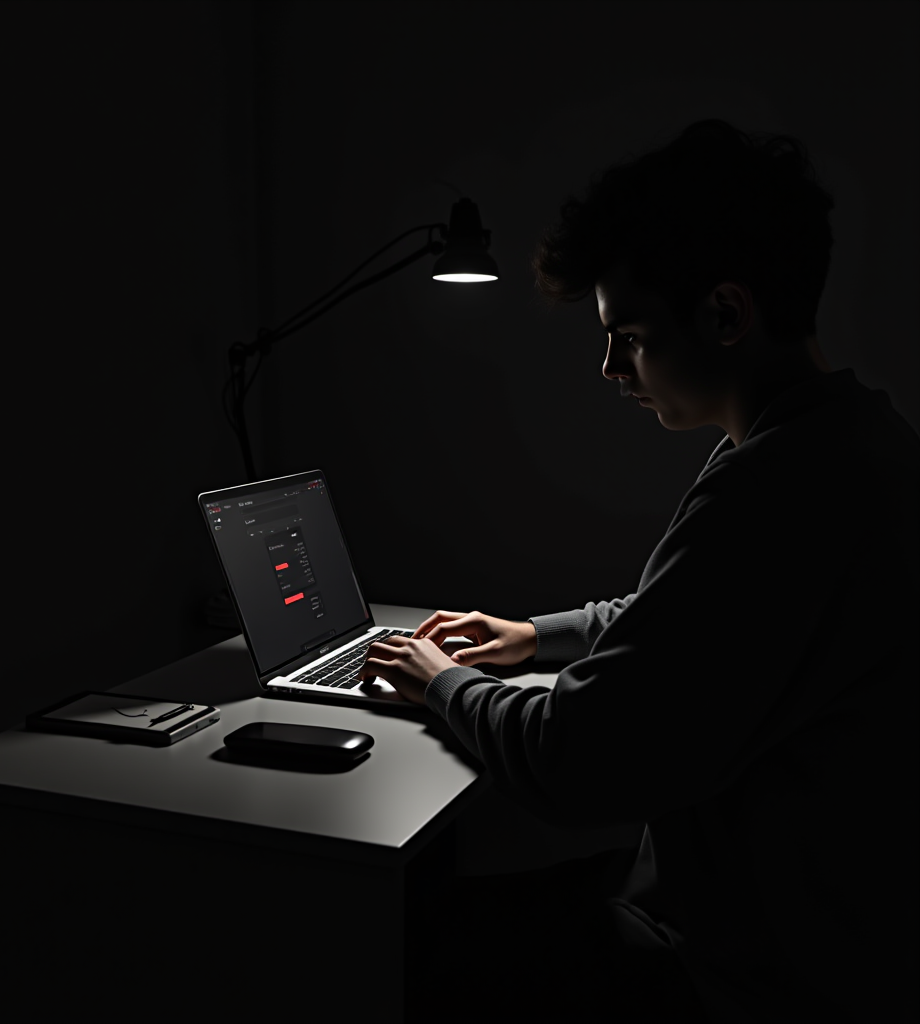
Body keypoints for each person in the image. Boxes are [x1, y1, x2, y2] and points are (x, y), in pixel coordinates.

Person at [358, 120, 920, 1023]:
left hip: (748, 974)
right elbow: (695, 622)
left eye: (630, 336)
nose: (612, 369)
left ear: (726, 315)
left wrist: (439, 685)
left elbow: (572, 760)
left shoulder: (784, 488)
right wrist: (537, 636)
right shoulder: (839, 439)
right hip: (771, 925)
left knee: (392, 946)